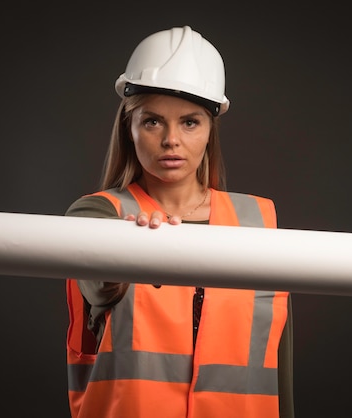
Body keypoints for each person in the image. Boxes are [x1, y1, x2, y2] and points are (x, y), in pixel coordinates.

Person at [64, 25, 294, 418]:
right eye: (152, 122)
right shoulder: (97, 215)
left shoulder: (259, 220)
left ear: (209, 131)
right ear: (130, 128)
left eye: (190, 122)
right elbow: (102, 290)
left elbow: (279, 363)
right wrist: (136, 244)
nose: (171, 139)